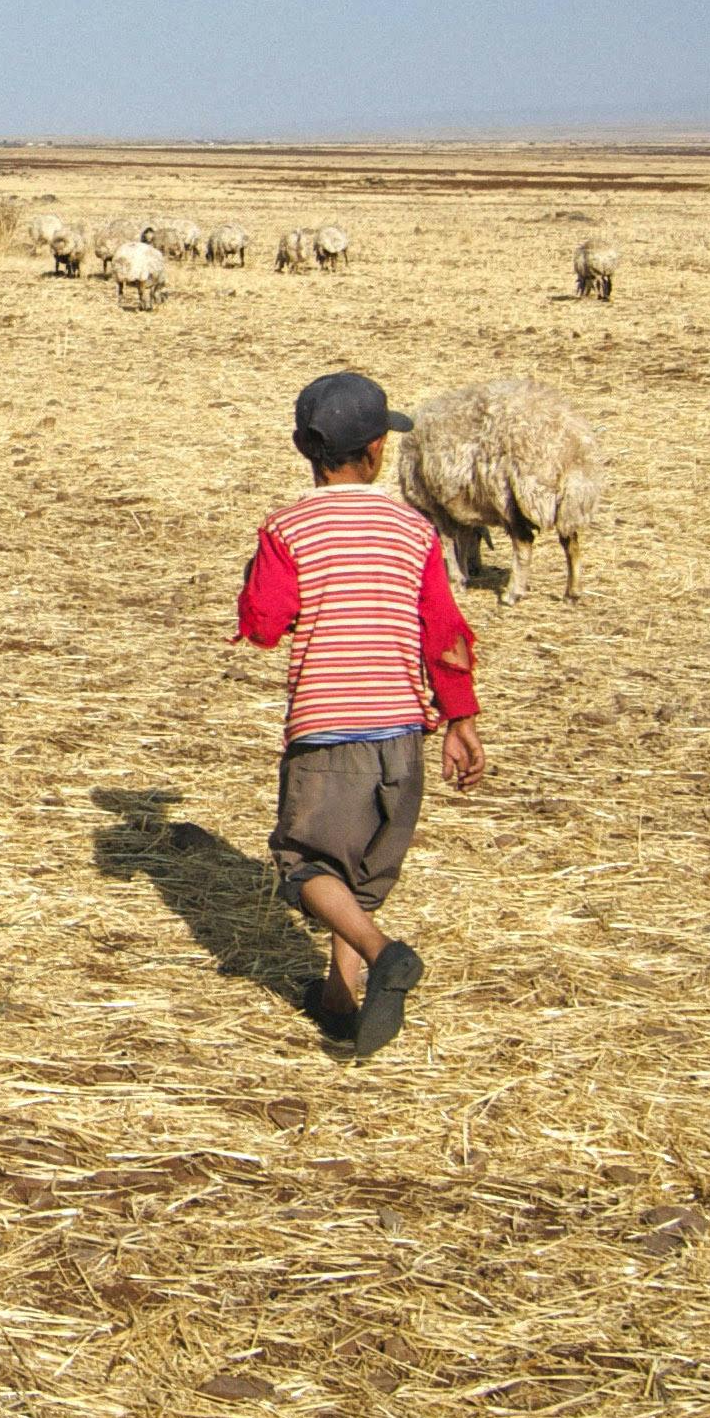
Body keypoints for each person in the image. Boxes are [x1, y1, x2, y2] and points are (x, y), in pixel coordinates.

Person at [232, 370, 484, 1055]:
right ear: (378, 450)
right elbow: (447, 634)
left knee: (303, 863)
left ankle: (383, 956)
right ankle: (342, 1001)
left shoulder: (288, 527)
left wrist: (255, 602)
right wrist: (460, 720)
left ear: (305, 451)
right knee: (360, 875)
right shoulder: (414, 529)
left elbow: (265, 622)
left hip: (329, 731)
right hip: (403, 733)